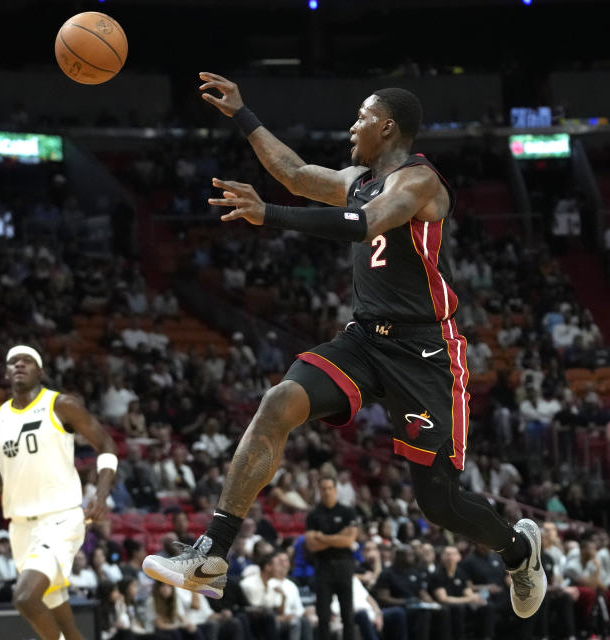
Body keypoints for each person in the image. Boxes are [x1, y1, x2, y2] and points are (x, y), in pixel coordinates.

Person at [144, 74, 544, 620]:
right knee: (278, 401)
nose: (351, 126)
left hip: (425, 351)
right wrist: (243, 113)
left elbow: (366, 223)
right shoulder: (358, 177)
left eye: (361, 117)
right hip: (364, 339)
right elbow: (294, 173)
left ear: (386, 126)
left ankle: (519, 552)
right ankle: (211, 555)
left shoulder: (420, 182)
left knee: (438, 502)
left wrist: (270, 215)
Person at [0, 345, 118, 640]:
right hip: (20, 527)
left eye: (27, 361)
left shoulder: (61, 405)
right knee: (62, 617)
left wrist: (100, 494)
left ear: (40, 371)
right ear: (6, 373)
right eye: (13, 362)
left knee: (25, 598)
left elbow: (107, 444)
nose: (19, 365)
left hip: (61, 519)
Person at [307, 476, 359, 640]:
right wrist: (338, 537)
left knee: (348, 615)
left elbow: (349, 540)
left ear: (335, 490)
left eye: (330, 488)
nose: (327, 492)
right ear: (319, 491)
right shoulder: (313, 515)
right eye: (323, 488)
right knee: (323, 616)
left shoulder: (348, 511)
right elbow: (311, 545)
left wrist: (322, 537)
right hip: (323, 567)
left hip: (344, 565)